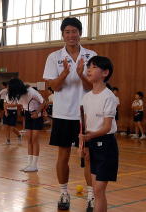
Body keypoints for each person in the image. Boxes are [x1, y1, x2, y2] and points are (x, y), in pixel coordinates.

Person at [43, 17, 97, 210]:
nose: (71, 35)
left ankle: (91, 196)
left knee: (89, 155)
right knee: (63, 155)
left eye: (74, 31)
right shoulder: (53, 57)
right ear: (63, 34)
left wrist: (81, 73)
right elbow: (54, 87)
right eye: (67, 32)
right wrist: (65, 73)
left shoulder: (91, 55)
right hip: (63, 114)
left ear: (80, 33)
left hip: (86, 114)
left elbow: (92, 87)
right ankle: (64, 193)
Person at [80, 56, 118, 212]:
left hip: (106, 145)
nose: (89, 69)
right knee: (96, 190)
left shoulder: (109, 96)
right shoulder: (86, 97)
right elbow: (84, 124)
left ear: (105, 73)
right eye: (89, 66)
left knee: (99, 190)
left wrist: (89, 136)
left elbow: (107, 127)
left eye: (94, 67)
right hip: (92, 143)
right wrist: (83, 144)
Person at [8, 78, 45, 172]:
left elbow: (43, 102)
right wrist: (21, 111)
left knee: (34, 139)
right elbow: (21, 104)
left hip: (36, 115)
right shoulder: (18, 95)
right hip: (28, 114)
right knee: (29, 139)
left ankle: (35, 165)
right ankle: (29, 164)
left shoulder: (32, 92)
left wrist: (37, 112)